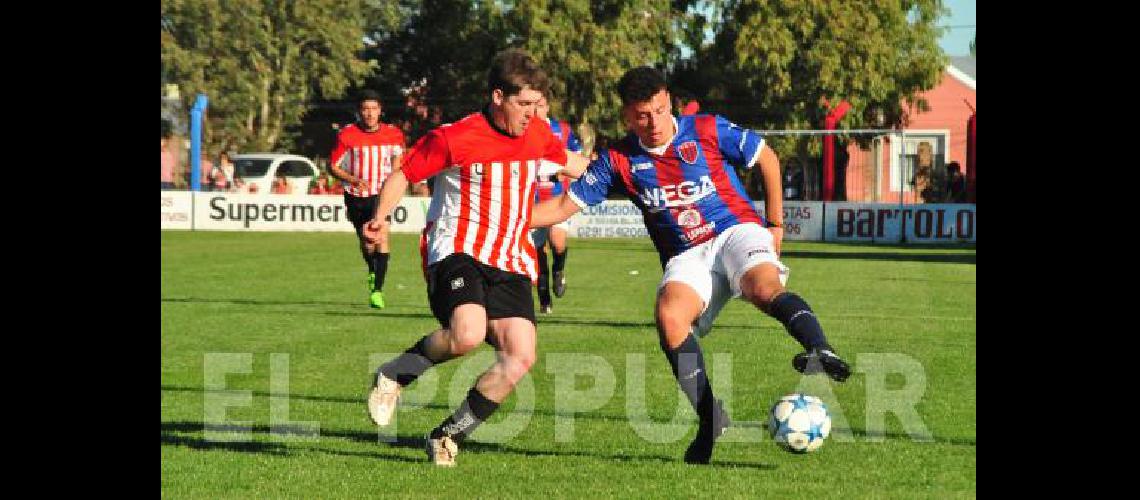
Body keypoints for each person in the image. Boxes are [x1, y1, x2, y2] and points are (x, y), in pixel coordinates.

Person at [531, 66, 851, 464]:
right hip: (686, 254)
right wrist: (506, 221)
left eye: (661, 110)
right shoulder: (618, 160)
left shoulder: (706, 130)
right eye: (643, 115)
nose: (655, 123)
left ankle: (821, 349)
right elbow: (563, 205)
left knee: (762, 289)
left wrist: (775, 224)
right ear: (628, 116)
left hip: (735, 230)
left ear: (670, 103)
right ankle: (709, 420)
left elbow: (767, 158)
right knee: (669, 317)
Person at [362, 48, 586, 466]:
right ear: (498, 97)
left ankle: (447, 435)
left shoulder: (537, 134)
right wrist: (380, 218)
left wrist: (629, 171)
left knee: (521, 355)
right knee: (466, 333)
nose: (531, 114)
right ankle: (394, 374)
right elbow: (404, 174)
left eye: (536, 105)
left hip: (511, 256)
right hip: (457, 248)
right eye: (523, 105)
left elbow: (575, 164)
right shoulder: (454, 137)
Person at [328, 89, 407, 309]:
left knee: (381, 237)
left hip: (382, 195)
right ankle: (373, 270)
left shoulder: (394, 134)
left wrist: (393, 185)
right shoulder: (347, 135)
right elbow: (332, 166)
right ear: (359, 112)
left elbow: (397, 165)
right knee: (367, 243)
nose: (370, 114)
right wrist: (352, 179)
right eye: (365, 109)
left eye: (374, 109)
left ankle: (377, 290)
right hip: (356, 196)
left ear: (381, 111)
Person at [530, 95, 583, 313]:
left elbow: (577, 156)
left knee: (557, 241)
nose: (535, 112)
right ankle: (544, 298)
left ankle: (559, 270)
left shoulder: (561, 130)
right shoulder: (521, 130)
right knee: (537, 252)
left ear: (547, 107)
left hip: (558, 198)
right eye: (532, 107)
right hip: (531, 200)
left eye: (540, 107)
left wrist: (565, 172)